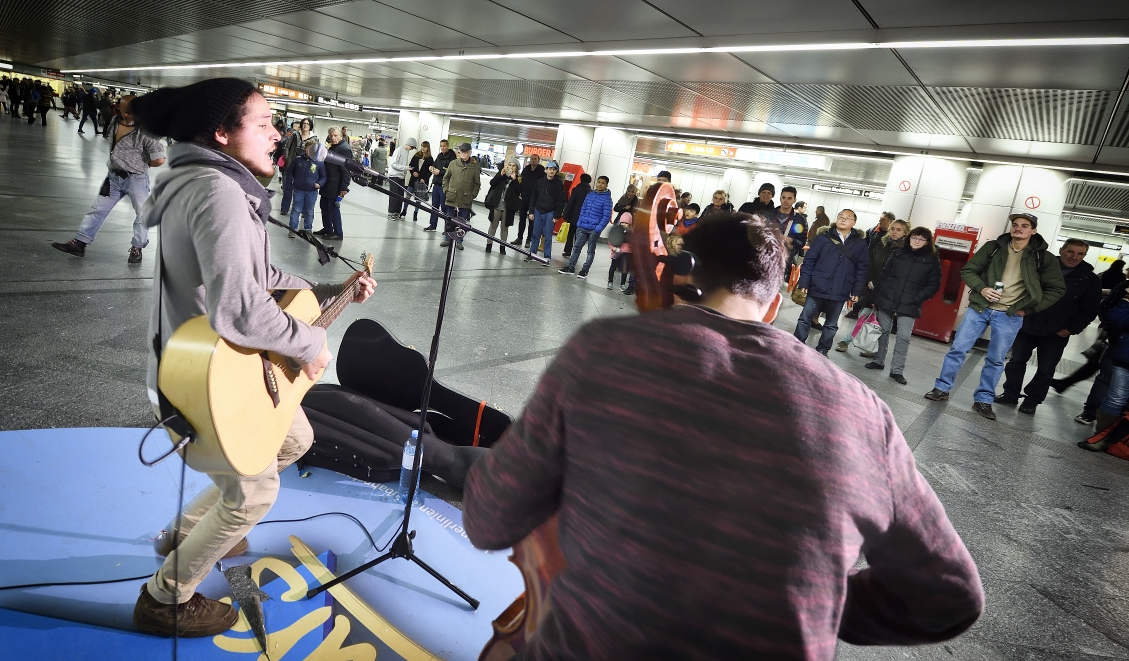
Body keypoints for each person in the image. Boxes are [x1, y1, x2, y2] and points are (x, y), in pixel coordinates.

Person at [462, 212, 983, 660]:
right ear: (776, 302)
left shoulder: (603, 351)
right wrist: (808, 601)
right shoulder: (864, 413)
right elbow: (950, 596)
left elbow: (489, 520)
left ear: (680, 279)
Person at [128, 77, 375, 637]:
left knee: (293, 438)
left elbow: (256, 276)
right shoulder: (221, 195)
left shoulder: (196, 178)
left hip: (190, 361)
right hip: (205, 379)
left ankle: (183, 533)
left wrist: (331, 287)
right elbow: (240, 311)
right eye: (263, 123)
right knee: (256, 493)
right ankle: (165, 596)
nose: (277, 134)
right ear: (222, 132)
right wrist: (311, 344)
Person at [925, 213, 1066, 420]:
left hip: (1010, 314)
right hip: (980, 308)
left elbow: (1057, 289)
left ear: (1033, 230)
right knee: (957, 349)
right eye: (1015, 225)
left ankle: (984, 399)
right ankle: (941, 389)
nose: (1018, 228)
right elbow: (969, 270)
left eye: (1024, 226)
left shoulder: (1042, 257)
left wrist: (1027, 309)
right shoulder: (994, 248)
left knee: (996, 359)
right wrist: (982, 289)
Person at [52, 95, 166, 264]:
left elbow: (160, 159)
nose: (130, 115)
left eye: (134, 112)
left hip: (136, 180)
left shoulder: (145, 131)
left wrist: (142, 165)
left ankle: (137, 247)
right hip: (113, 178)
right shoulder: (114, 121)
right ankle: (80, 243)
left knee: (142, 214)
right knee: (97, 210)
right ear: (119, 108)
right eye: (126, 112)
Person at [996, 238, 1100, 415]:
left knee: (1046, 369)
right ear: (1061, 250)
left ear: (1084, 256)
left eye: (1080, 254)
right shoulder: (1041, 268)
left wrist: (1071, 329)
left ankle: (1032, 400)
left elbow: (1090, 309)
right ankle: (1010, 394)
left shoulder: (1089, 279)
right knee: (1016, 362)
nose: (1074, 257)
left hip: (1056, 331)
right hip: (1028, 323)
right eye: (1070, 251)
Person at [864, 227, 942, 384]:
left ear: (927, 242)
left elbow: (934, 284)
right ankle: (878, 361)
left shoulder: (931, 259)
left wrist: (917, 298)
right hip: (887, 298)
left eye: (921, 239)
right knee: (883, 331)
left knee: (903, 336)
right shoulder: (898, 253)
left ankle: (897, 370)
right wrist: (876, 295)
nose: (916, 241)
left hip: (910, 303)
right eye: (914, 238)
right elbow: (885, 275)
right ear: (909, 238)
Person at [793, 209, 868, 356]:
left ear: (854, 222)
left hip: (841, 288)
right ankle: (797, 345)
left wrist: (857, 291)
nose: (843, 220)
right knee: (805, 318)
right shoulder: (823, 238)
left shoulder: (860, 244)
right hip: (817, 285)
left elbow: (862, 268)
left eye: (848, 218)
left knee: (831, 324)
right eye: (840, 217)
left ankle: (823, 350)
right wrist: (804, 282)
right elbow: (809, 261)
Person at [839, 219, 908, 342]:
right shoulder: (881, 245)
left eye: (899, 230)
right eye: (892, 229)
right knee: (864, 316)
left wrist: (880, 283)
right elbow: (869, 262)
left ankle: (872, 349)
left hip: (889, 292)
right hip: (872, 289)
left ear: (905, 233)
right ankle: (846, 341)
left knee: (882, 324)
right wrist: (870, 280)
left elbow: (898, 273)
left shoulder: (905, 252)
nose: (894, 232)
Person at [559, 175, 613, 278]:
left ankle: (585, 270)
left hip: (594, 229)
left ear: (606, 185)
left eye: (603, 183)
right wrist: (579, 223)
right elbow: (583, 209)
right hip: (582, 226)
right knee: (576, 247)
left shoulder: (607, 200)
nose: (600, 184)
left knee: (590, 251)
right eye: (599, 182)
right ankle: (571, 267)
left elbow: (606, 217)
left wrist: (597, 229)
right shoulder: (590, 195)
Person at [441, 142, 482, 251]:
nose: (463, 154)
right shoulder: (453, 163)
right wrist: (446, 190)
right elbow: (446, 178)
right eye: (461, 152)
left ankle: (459, 241)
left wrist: (472, 195)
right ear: (459, 152)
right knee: (449, 219)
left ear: (470, 153)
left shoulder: (474, 167)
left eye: (465, 152)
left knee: (462, 221)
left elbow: (477, 183)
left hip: (465, 198)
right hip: (452, 196)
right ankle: (447, 238)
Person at [524, 160, 565, 263]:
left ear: (556, 171)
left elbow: (561, 201)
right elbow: (533, 197)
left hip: (550, 212)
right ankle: (532, 254)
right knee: (535, 234)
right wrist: (531, 211)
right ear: (546, 170)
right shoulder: (539, 182)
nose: (551, 171)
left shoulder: (559, 184)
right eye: (549, 169)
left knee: (548, 236)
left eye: (553, 169)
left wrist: (556, 216)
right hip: (538, 210)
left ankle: (547, 257)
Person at [317, 127, 351, 239]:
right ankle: (328, 228)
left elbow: (346, 169)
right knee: (324, 206)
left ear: (341, 136)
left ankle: (338, 233)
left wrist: (344, 187)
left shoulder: (344, 149)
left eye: (335, 135)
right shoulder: (333, 146)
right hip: (328, 182)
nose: (333, 137)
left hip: (335, 184)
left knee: (332, 208)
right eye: (331, 135)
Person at [284, 145, 325, 238]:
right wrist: (293, 180)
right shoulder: (297, 160)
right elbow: (290, 171)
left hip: (312, 191)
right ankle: (292, 229)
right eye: (309, 149)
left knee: (309, 211)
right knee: (296, 209)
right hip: (299, 190)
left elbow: (324, 176)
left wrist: (319, 183)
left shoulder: (319, 163)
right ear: (305, 149)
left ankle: (308, 229)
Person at [279, 117, 314, 215]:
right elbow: (286, 147)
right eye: (304, 123)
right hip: (291, 164)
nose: (305, 125)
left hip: (305, 167)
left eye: (307, 123)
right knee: (288, 188)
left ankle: (303, 211)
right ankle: (284, 209)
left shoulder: (314, 138)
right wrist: (287, 158)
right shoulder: (295, 134)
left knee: (303, 190)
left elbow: (315, 153)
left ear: (310, 126)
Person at [485, 160, 521, 254]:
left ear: (516, 168)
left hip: (508, 208)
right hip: (497, 204)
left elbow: (519, 191)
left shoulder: (518, 179)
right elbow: (492, 183)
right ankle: (489, 245)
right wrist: (500, 174)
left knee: (504, 228)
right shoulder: (501, 175)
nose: (511, 167)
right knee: (493, 225)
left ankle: (502, 246)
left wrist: (514, 180)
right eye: (510, 165)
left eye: (513, 166)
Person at [764, 185, 807, 255]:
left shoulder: (799, 220)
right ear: (780, 198)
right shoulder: (768, 215)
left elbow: (801, 242)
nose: (785, 201)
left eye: (789, 198)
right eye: (783, 197)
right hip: (766, 255)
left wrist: (791, 240)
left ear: (794, 200)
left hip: (785, 258)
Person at [424, 139, 455, 231]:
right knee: (434, 206)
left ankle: (447, 228)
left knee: (445, 208)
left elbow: (451, 171)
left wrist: (440, 172)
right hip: (436, 184)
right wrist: (432, 168)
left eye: (444, 146)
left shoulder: (452, 158)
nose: (442, 148)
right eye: (441, 146)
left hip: (444, 186)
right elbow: (435, 164)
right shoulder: (439, 155)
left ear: (448, 146)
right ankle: (433, 225)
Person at [560, 173, 592, 258]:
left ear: (581, 179)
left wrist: (565, 214)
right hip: (583, 218)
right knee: (579, 236)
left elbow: (570, 203)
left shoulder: (576, 189)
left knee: (570, 234)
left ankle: (567, 251)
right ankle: (576, 252)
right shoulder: (590, 192)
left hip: (573, 217)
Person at [517, 154, 546, 247]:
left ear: (538, 160)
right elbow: (521, 181)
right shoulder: (526, 169)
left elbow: (543, 185)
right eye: (532, 159)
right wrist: (520, 192)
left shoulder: (541, 170)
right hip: (524, 198)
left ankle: (529, 239)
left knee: (531, 220)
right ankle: (519, 237)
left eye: (535, 159)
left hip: (534, 199)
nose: (533, 160)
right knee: (521, 219)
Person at [386, 136, 416, 220]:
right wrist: (405, 168)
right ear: (409, 144)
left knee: (400, 195)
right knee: (394, 195)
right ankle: (391, 213)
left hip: (401, 176)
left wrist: (405, 169)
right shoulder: (399, 150)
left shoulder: (406, 151)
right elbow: (393, 164)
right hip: (394, 176)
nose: (411, 149)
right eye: (412, 147)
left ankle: (397, 212)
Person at [407, 140, 434, 222]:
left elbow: (430, 172)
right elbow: (411, 166)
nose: (423, 148)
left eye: (425, 147)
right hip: (413, 179)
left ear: (428, 148)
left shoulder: (430, 159)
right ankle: (404, 211)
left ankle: (415, 213)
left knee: (418, 199)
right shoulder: (416, 156)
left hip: (422, 182)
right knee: (408, 195)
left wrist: (424, 179)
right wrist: (413, 172)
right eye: (422, 146)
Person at [607, 212, 633, 291]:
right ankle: (610, 282)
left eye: (626, 223)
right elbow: (610, 241)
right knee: (612, 268)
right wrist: (613, 248)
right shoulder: (616, 231)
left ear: (629, 224)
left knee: (624, 270)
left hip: (625, 255)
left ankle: (622, 284)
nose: (623, 224)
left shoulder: (631, 233)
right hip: (616, 254)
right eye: (622, 222)